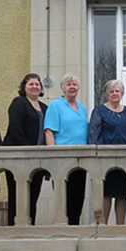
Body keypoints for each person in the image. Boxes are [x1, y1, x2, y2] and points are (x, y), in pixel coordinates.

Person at [3, 73, 49, 225]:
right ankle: (13, 229)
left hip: (38, 159)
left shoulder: (45, 107)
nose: (35, 86)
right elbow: (16, 129)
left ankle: (30, 227)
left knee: (33, 195)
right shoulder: (18, 103)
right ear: (24, 87)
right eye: (31, 84)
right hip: (18, 157)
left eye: (37, 84)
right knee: (17, 195)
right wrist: (28, 151)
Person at [44, 73, 89, 225]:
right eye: (69, 84)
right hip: (62, 157)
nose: (72, 87)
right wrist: (53, 155)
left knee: (79, 194)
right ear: (63, 88)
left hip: (81, 157)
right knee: (64, 194)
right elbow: (49, 131)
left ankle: (74, 225)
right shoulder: (55, 106)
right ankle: (63, 226)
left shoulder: (82, 108)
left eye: (75, 84)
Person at [88, 79, 126, 225]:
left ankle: (120, 227)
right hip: (105, 159)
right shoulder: (99, 111)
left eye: (117, 91)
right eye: (111, 91)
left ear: (122, 94)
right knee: (105, 193)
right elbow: (93, 134)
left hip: (125, 160)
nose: (114, 93)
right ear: (107, 94)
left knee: (122, 194)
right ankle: (103, 227)